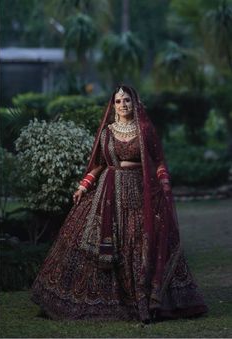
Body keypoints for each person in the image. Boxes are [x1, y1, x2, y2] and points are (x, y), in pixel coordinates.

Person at [31, 85, 208, 324]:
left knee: (139, 240)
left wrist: (164, 183)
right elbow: (99, 164)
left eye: (126, 100)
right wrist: (83, 186)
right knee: (99, 242)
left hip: (139, 192)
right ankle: (104, 302)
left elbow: (158, 163)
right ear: (113, 105)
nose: (123, 105)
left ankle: (146, 303)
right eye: (118, 101)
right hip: (108, 192)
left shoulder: (145, 130)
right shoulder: (107, 133)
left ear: (134, 103)